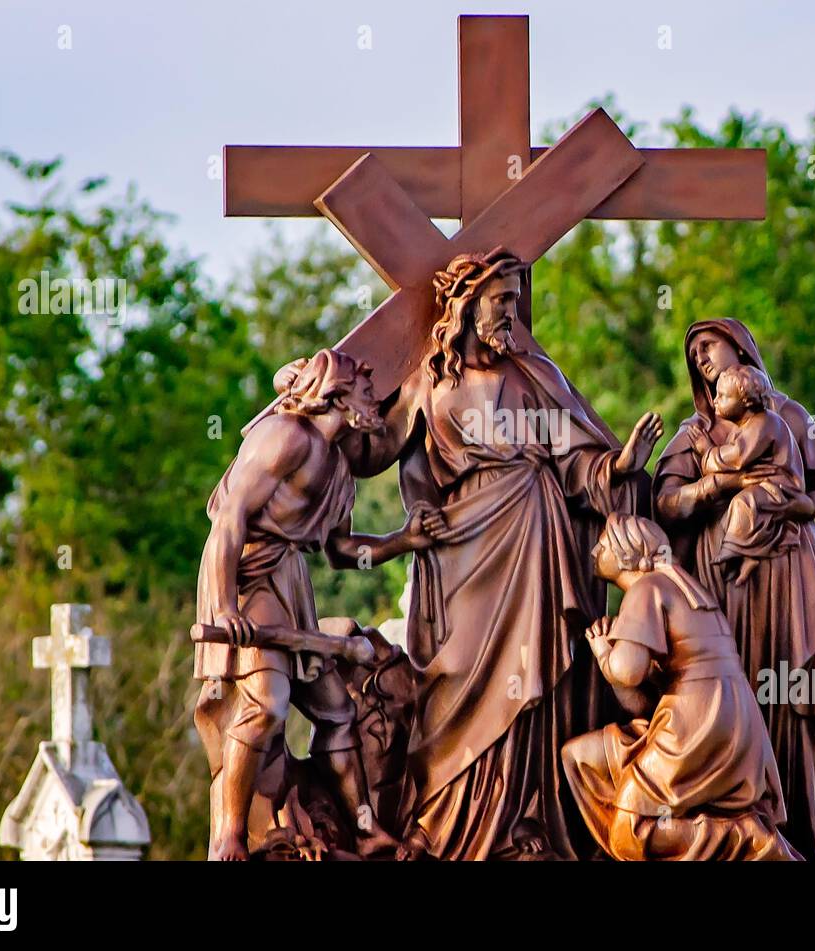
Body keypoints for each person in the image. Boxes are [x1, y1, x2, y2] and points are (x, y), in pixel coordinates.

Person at [273, 247, 663, 860]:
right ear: (468, 305)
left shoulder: (536, 377)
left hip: (539, 545)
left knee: (539, 679)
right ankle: (452, 824)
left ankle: (528, 816)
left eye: (514, 300)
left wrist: (621, 464)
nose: (511, 312)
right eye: (501, 300)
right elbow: (374, 449)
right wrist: (311, 424)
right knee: (458, 684)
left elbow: (576, 460)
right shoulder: (432, 382)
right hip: (464, 550)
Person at [192, 348, 439, 861]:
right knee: (265, 704)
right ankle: (230, 836)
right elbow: (230, 520)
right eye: (368, 393)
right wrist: (221, 605)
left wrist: (402, 540)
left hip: (292, 584)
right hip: (247, 578)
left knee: (338, 711)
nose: (375, 403)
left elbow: (344, 552)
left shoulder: (340, 470)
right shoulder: (284, 437)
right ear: (338, 394)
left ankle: (367, 831)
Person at [653, 319, 815, 860]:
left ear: (739, 349)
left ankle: (797, 844)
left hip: (786, 581)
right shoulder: (693, 434)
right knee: (728, 706)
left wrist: (802, 505)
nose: (702, 360)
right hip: (718, 587)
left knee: (787, 704)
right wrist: (712, 487)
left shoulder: (789, 417)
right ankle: (736, 842)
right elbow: (664, 503)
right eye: (693, 355)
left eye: (708, 346)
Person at [560, 514, 800, 861]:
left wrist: (603, 653)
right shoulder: (683, 588)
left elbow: (627, 671)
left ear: (629, 553)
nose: (595, 549)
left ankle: (746, 840)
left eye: (605, 543)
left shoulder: (648, 589)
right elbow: (640, 703)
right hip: (725, 716)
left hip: (696, 720)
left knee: (630, 832)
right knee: (580, 758)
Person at [698, 364, 806, 586]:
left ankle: (733, 551)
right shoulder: (744, 427)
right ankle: (750, 556)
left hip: (781, 488)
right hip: (765, 486)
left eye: (723, 396)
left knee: (743, 503)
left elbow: (737, 458)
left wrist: (707, 453)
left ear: (746, 401)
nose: (714, 401)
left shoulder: (764, 422)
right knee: (736, 511)